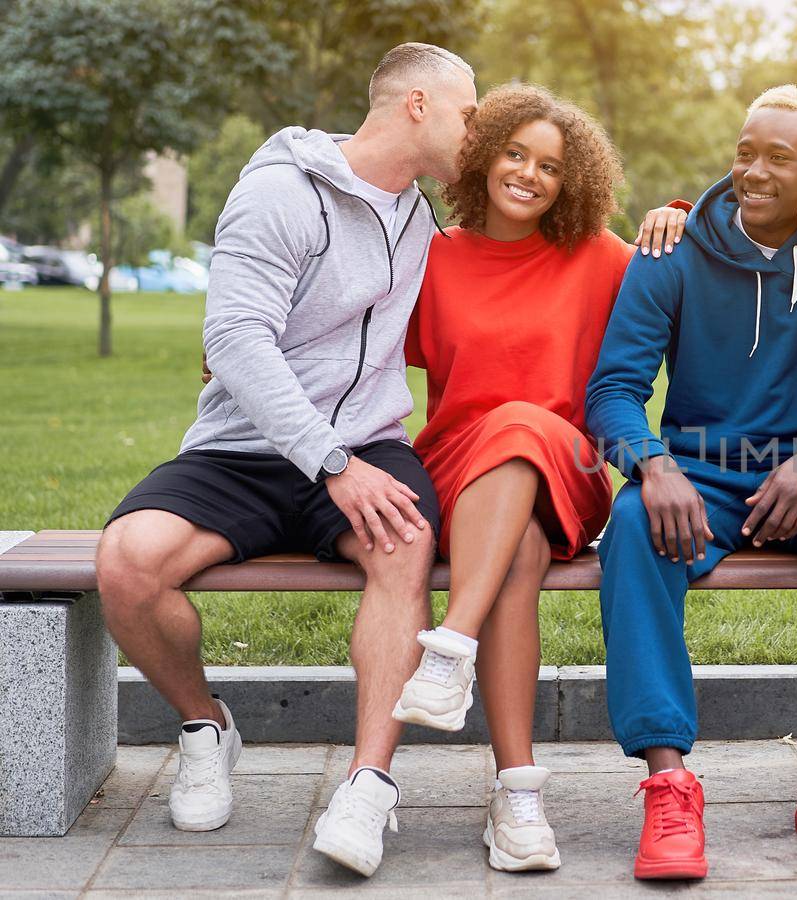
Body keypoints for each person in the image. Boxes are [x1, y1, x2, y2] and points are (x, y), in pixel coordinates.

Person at [94, 44, 477, 877]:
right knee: (127, 562)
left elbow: (553, 208)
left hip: (369, 444)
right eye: (468, 113)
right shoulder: (281, 191)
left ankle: (368, 783)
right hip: (246, 448)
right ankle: (206, 726)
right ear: (417, 104)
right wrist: (329, 460)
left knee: (403, 541)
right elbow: (233, 337)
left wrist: (673, 211)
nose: (478, 131)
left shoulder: (423, 214)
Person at [584, 85, 797, 880]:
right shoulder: (672, 252)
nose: (754, 171)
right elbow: (614, 390)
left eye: (779, 159)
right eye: (744, 151)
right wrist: (652, 464)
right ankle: (667, 782)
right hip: (699, 471)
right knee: (631, 528)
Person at [392, 82, 642, 872]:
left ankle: (450, 646)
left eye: (551, 166)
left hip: (564, 463)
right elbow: (344, 334)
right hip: (456, 475)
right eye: (514, 153)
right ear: (483, 154)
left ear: (576, 182)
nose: (530, 174)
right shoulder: (431, 258)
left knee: (523, 421)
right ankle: (515, 790)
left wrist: (676, 210)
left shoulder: (601, 257)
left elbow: (696, 285)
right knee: (520, 560)